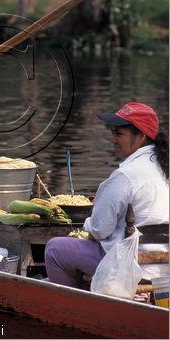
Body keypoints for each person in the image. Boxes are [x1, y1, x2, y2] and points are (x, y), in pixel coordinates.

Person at [45, 102, 169, 288]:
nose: (113, 139)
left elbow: (98, 229)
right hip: (163, 266)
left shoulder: (126, 175)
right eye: (112, 132)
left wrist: (86, 230)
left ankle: (70, 307)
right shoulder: (163, 168)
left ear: (141, 136)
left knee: (55, 249)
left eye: (119, 134)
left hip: (129, 267)